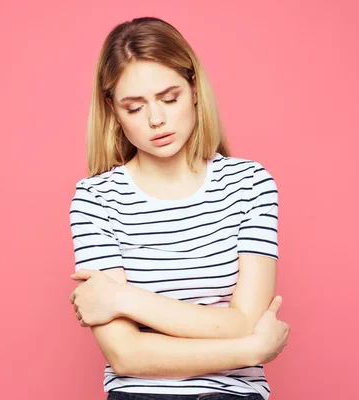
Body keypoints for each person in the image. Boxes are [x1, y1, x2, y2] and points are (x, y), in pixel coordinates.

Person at [68, 16, 290, 400]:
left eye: (169, 99)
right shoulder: (95, 200)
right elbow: (126, 355)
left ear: (194, 88)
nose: (156, 119)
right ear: (113, 110)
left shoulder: (250, 184)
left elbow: (244, 320)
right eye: (134, 107)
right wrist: (250, 350)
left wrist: (123, 299)